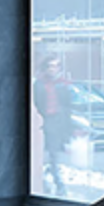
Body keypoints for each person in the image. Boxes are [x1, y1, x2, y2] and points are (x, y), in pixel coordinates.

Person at [33, 56, 77, 192]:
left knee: (55, 153)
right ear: (45, 68)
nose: (53, 69)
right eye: (50, 66)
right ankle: (55, 179)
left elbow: (68, 106)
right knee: (51, 153)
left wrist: (69, 128)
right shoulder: (39, 84)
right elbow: (38, 103)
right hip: (47, 120)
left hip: (60, 121)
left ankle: (54, 177)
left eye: (56, 66)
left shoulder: (63, 85)